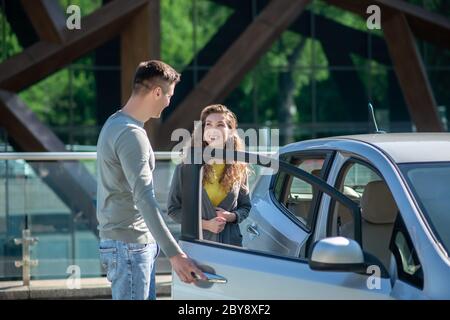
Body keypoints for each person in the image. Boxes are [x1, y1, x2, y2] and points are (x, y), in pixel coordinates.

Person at [96, 60, 205, 300]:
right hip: (130, 246)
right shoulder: (131, 134)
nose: (169, 102)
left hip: (123, 243)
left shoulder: (115, 123)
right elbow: (144, 198)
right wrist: (175, 255)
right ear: (157, 92)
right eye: (169, 95)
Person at [167, 104, 251, 246]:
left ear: (230, 131)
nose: (214, 130)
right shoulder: (187, 166)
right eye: (208, 124)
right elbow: (173, 209)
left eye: (220, 125)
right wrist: (205, 224)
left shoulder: (239, 167)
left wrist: (231, 216)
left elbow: (245, 207)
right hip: (197, 245)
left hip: (231, 246)